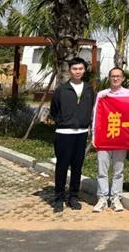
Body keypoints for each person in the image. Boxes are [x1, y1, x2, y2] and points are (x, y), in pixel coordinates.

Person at [49, 57, 95, 213]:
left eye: (80, 69)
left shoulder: (88, 89)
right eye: (75, 69)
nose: (78, 71)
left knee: (77, 167)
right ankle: (59, 198)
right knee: (62, 167)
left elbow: (91, 107)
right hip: (64, 133)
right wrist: (63, 121)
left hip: (81, 133)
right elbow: (54, 110)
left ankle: (73, 197)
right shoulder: (61, 90)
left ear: (84, 70)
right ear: (70, 70)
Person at [91, 66, 129, 213]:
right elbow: (96, 115)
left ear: (123, 78)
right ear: (109, 78)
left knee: (118, 170)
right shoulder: (102, 94)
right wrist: (94, 135)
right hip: (104, 137)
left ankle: (116, 198)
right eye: (113, 76)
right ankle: (102, 198)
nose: (115, 78)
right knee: (102, 170)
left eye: (118, 76)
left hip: (121, 138)